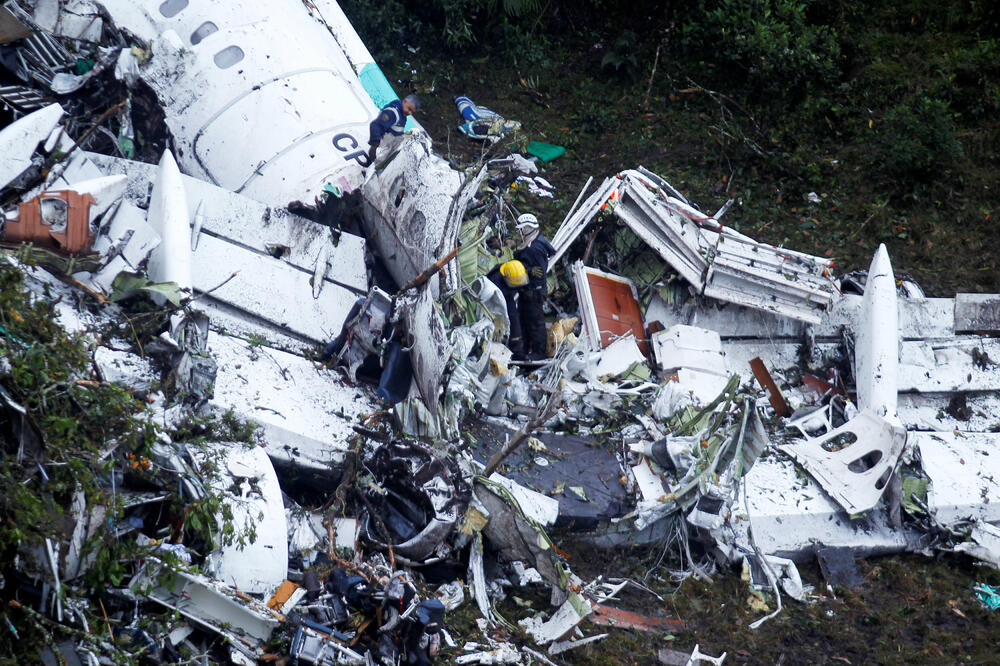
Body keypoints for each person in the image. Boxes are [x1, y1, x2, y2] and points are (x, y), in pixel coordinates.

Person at [513, 213, 555, 361]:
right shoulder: (530, 244)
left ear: (528, 228)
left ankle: (539, 352)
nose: (519, 233)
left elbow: (539, 273)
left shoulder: (536, 248)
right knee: (524, 322)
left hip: (533, 292)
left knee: (535, 323)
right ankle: (525, 350)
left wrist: (534, 288)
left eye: (521, 229)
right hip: (527, 292)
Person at [486, 259, 528, 360]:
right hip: (494, 300)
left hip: (507, 294)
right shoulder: (494, 281)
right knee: (510, 320)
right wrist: (497, 319)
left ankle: (519, 349)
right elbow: (492, 304)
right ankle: (503, 352)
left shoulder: (517, 270)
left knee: (516, 317)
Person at [366, 94, 420, 165]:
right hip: (383, 146)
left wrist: (410, 136)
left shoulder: (403, 116)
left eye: (412, 112)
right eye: (409, 109)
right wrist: (374, 145)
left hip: (392, 143)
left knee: (413, 135)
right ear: (405, 102)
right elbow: (376, 125)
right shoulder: (393, 112)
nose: (410, 113)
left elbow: (398, 133)